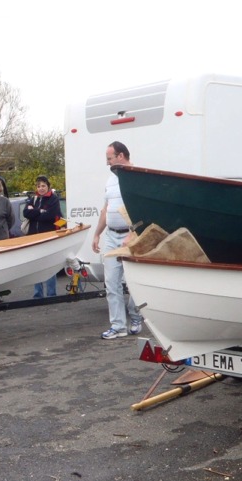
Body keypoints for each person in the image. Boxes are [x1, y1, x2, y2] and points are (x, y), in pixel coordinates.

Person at [91, 141, 143, 339]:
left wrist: (132, 233)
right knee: (111, 283)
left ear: (121, 156)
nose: (107, 163)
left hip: (133, 237)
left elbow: (144, 209)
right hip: (111, 236)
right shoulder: (110, 180)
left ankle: (136, 315)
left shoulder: (137, 177)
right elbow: (106, 210)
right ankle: (118, 326)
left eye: (109, 159)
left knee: (136, 282)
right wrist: (97, 234)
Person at [24, 175, 63, 298]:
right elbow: (26, 213)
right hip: (34, 238)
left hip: (49, 237)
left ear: (48, 186)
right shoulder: (33, 199)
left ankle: (51, 294)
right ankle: (38, 294)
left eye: (43, 186)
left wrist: (34, 212)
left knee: (49, 265)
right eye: (38, 186)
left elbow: (51, 216)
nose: (41, 188)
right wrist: (39, 211)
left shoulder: (54, 199)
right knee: (36, 266)